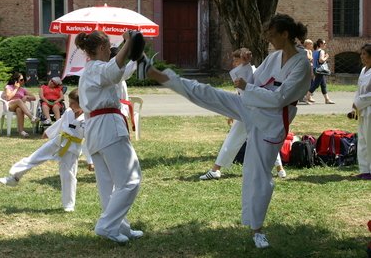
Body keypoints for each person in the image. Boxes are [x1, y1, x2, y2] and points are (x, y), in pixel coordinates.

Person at [142, 13, 310, 248]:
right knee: (209, 93)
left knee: (258, 174)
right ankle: (161, 76)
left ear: (285, 34)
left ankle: (257, 229)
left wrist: (247, 85)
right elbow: (254, 81)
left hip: (271, 121)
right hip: (251, 105)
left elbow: (280, 98)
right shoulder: (275, 57)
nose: (269, 40)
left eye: (272, 35)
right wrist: (244, 66)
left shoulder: (302, 65)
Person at [76, 30, 142, 243]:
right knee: (130, 180)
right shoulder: (96, 69)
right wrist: (127, 43)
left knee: (109, 185)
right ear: (103, 48)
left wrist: (133, 51)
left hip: (97, 128)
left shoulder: (94, 70)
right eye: (109, 47)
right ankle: (106, 226)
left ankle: (120, 228)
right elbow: (114, 71)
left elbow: (120, 72)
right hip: (107, 127)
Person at [200, 48, 286, 180]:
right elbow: (241, 94)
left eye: (236, 60)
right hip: (250, 110)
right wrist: (232, 112)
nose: (234, 63)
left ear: (244, 59)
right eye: (233, 60)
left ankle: (216, 169)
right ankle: (280, 169)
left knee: (235, 139)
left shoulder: (249, 71)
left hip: (250, 111)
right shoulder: (247, 71)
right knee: (265, 139)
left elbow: (248, 92)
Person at [0, 88, 88, 212]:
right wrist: (48, 132)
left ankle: (69, 205)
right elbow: (60, 123)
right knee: (35, 157)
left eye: (73, 103)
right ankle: (14, 177)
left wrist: (90, 161)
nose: (70, 105)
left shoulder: (88, 118)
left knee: (69, 176)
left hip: (72, 149)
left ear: (83, 103)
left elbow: (90, 139)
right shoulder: (68, 112)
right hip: (58, 141)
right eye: (70, 101)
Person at [350, 43, 371, 180]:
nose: (362, 56)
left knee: (370, 139)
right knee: (362, 139)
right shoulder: (363, 70)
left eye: (364, 54)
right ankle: (365, 170)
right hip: (362, 110)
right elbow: (359, 91)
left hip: (369, 108)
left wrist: (358, 102)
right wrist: (355, 107)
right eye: (361, 54)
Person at [3, 72, 38, 137]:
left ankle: (21, 131)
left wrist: (26, 97)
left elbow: (34, 97)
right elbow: (8, 97)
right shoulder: (8, 87)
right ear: (15, 80)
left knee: (19, 109)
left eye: (24, 79)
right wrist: (16, 88)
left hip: (19, 106)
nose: (23, 81)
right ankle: (31, 117)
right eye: (21, 80)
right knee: (19, 100)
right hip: (10, 105)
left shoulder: (22, 89)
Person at [304, 39, 335, 104]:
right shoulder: (321, 51)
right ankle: (306, 98)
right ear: (320, 44)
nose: (325, 44)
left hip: (316, 69)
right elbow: (321, 60)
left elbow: (313, 61)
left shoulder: (314, 51)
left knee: (323, 85)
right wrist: (326, 57)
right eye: (324, 43)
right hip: (320, 70)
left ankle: (327, 99)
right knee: (315, 85)